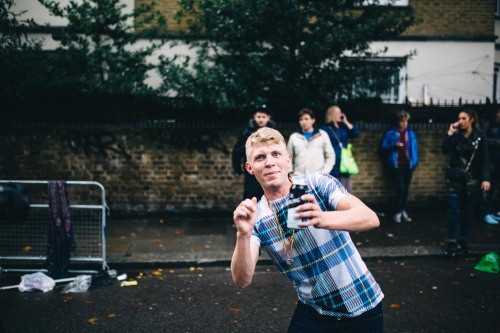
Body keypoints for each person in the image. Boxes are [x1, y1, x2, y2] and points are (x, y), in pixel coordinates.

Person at [231, 127, 384, 332]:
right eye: (260, 157)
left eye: (276, 154)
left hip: (361, 304)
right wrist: (243, 234)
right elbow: (242, 279)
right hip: (314, 311)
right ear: (250, 168)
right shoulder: (256, 216)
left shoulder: (316, 184)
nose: (269, 162)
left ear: (288, 160)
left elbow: (369, 218)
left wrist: (322, 217)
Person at [442, 109, 490, 256]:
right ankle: (451, 242)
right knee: (454, 211)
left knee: (467, 212)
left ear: (472, 120)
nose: (460, 121)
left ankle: (462, 240)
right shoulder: (456, 136)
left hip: (471, 181)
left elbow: (485, 159)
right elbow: (444, 149)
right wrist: (449, 134)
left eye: (463, 118)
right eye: (459, 118)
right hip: (455, 179)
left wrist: (486, 178)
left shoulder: (480, 138)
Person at [380, 110, 419, 223]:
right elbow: (382, 147)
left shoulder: (410, 133)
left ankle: (403, 211)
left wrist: (414, 162)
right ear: (398, 121)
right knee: (400, 189)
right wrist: (394, 145)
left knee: (406, 190)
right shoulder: (391, 133)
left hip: (408, 165)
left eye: (406, 121)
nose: (404, 124)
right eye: (402, 121)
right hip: (396, 165)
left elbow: (414, 149)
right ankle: (397, 212)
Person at [232, 104, 276, 200]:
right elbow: (236, 152)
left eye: (263, 117)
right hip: (252, 174)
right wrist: (238, 170)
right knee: (252, 199)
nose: (261, 119)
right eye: (259, 117)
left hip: (269, 171)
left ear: (268, 118)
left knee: (270, 199)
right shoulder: (247, 133)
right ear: (254, 117)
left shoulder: (274, 133)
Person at [320, 105, 360, 192]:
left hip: (344, 162)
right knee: (335, 191)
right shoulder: (326, 128)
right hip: (334, 163)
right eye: (338, 113)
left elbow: (356, 133)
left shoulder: (342, 126)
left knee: (346, 191)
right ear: (331, 114)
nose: (340, 115)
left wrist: (345, 121)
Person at [287, 108, 335, 176]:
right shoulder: (294, 137)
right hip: (299, 177)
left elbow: (331, 156)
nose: (303, 122)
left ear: (313, 120)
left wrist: (324, 172)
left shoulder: (322, 135)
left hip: (317, 178)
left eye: (306, 119)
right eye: (301, 119)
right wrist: (290, 172)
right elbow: (288, 157)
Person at [483, 109, 500, 225]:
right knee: (489, 188)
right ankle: (487, 213)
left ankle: (496, 212)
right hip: (492, 162)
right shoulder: (490, 125)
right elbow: (484, 141)